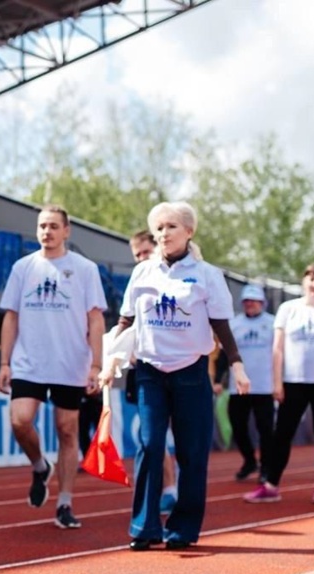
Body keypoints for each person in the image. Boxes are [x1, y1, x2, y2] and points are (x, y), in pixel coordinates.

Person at [100, 201, 249, 551]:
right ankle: (144, 527)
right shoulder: (143, 272)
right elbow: (127, 321)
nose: (163, 234)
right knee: (150, 447)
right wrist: (110, 362)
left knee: (191, 453)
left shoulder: (207, 275)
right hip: (150, 371)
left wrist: (237, 364)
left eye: (171, 227)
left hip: (191, 372)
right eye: (159, 228)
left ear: (189, 232)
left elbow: (221, 325)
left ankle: (182, 528)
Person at [0, 204, 107, 529]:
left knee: (67, 430)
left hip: (71, 363)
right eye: (42, 226)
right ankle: (39, 465)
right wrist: (4, 362)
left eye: (53, 226)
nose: (47, 231)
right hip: (29, 361)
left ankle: (65, 502)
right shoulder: (23, 267)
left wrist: (96, 363)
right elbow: (11, 316)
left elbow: (96, 319)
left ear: (66, 231)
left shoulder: (85, 269)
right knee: (19, 421)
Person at [244, 264, 314, 504]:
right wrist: (277, 382)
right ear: (304, 281)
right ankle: (271, 484)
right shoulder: (288, 309)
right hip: (294, 382)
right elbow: (278, 349)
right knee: (282, 434)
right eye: (311, 277)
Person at [124, 230, 178, 513]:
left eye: (146, 252)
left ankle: (170, 487)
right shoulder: (137, 283)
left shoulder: (175, 280)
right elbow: (126, 324)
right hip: (143, 371)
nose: (142, 258)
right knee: (151, 435)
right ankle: (166, 489)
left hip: (176, 369)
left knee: (166, 434)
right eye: (137, 255)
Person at [215, 284, 275, 483]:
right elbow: (224, 356)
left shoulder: (273, 324)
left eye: (254, 300)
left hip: (265, 386)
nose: (250, 304)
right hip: (238, 386)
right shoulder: (234, 324)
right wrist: (218, 380)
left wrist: (280, 382)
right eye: (247, 301)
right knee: (238, 426)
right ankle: (250, 460)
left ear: (262, 303)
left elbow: (280, 355)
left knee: (265, 429)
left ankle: (267, 467)